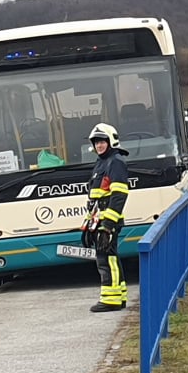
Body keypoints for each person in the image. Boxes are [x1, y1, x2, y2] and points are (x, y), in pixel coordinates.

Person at [83, 123, 129, 312]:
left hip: (108, 221)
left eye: (102, 142)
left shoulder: (115, 161)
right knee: (109, 257)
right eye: (96, 143)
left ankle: (111, 300)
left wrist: (108, 225)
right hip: (99, 221)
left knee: (106, 259)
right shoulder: (101, 162)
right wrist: (88, 225)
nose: (99, 146)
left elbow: (119, 195)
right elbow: (94, 198)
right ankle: (120, 295)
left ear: (111, 141)